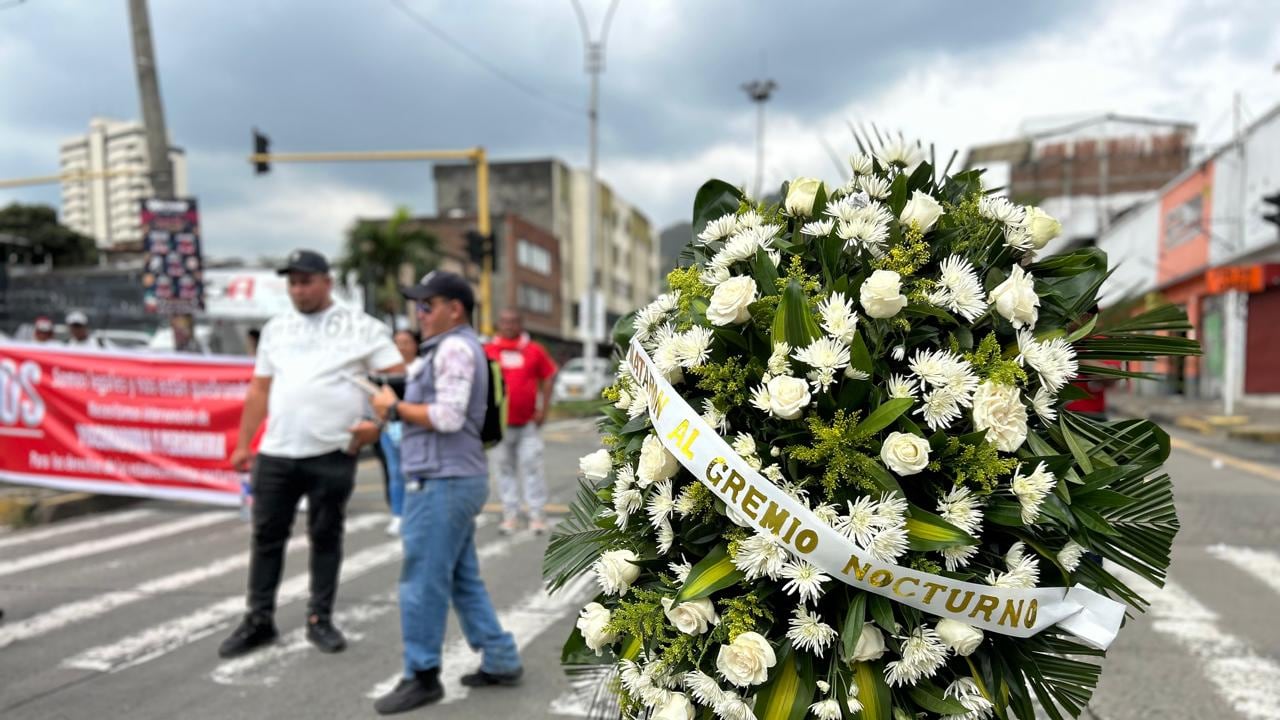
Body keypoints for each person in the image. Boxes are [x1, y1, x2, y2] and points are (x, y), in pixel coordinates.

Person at [217, 249, 406, 659]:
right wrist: (244, 443)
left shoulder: (361, 327)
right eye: (293, 283)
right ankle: (259, 619)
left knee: (325, 536)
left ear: (327, 282)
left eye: (306, 282)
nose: (299, 290)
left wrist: (375, 426)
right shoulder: (276, 329)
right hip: (277, 452)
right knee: (267, 537)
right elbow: (260, 388)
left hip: (332, 450)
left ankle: (320, 618)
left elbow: (396, 381)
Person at [370, 270, 521, 715]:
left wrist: (393, 408)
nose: (419, 313)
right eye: (417, 305)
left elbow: (449, 416)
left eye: (427, 305)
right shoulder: (449, 347)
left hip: (443, 481)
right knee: (460, 577)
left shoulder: (454, 348)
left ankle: (422, 675)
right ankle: (500, 657)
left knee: (421, 579)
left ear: (454, 309)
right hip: (451, 478)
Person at [485, 309, 558, 534]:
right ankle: (510, 516)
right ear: (498, 324)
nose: (509, 325)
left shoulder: (533, 350)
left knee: (532, 468)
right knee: (503, 470)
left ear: (521, 324)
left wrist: (544, 409)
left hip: (528, 424)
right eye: (505, 321)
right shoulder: (488, 350)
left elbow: (549, 376)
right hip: (500, 426)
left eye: (513, 321)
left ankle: (537, 516)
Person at [377, 329, 421, 536]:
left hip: (416, 427)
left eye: (406, 342)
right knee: (395, 472)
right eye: (397, 342)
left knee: (415, 474)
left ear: (415, 345)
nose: (401, 347)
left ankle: (416, 513)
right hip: (390, 428)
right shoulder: (384, 369)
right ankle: (398, 515)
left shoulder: (422, 367)